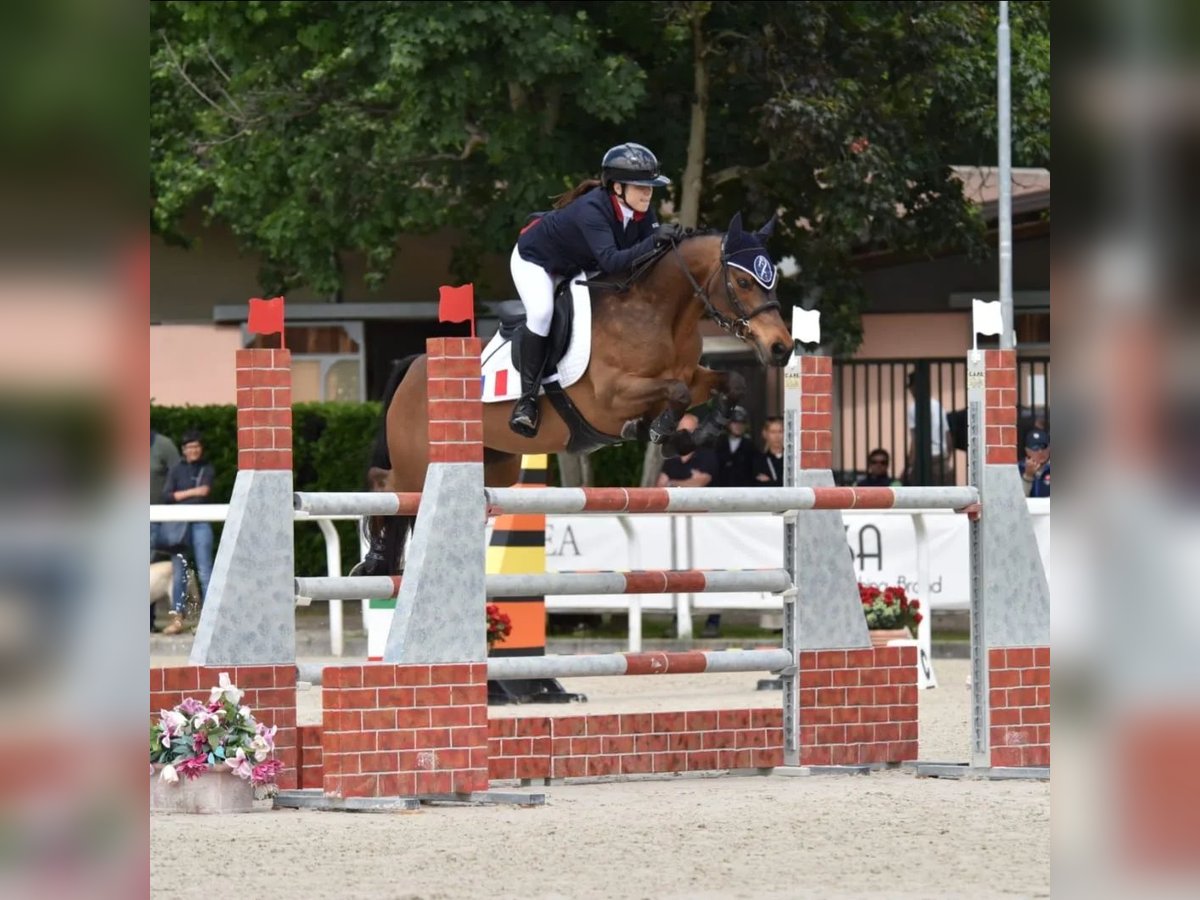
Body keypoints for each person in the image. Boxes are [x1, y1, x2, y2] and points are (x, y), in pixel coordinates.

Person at [508, 142, 678, 437]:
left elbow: (643, 262)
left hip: (576, 264)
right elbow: (613, 261)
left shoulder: (642, 212)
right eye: (640, 186)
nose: (648, 193)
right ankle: (527, 402)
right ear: (617, 188)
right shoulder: (592, 210)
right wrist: (654, 242)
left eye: (650, 186)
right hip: (536, 261)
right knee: (542, 312)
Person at [160, 430, 215, 635]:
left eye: (197, 447)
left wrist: (179, 495)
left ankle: (210, 619)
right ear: (183, 450)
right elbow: (167, 496)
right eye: (190, 447)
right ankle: (177, 619)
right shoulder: (176, 469)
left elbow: (205, 492)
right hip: (179, 525)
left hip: (200, 522)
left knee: (205, 571)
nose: (194, 450)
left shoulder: (207, 468)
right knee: (179, 573)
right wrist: (193, 492)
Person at [905, 373, 954, 485]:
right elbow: (948, 436)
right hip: (941, 460)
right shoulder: (937, 405)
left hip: (923, 461)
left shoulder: (914, 408)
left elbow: (915, 439)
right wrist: (946, 459)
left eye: (910, 387)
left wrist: (910, 465)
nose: (910, 391)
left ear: (915, 387)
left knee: (918, 498)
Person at [655, 414, 718, 488]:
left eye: (689, 431)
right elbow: (660, 486)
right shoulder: (671, 458)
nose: (685, 435)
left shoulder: (707, 456)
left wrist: (671, 483)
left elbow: (698, 484)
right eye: (682, 431)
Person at [715, 406, 756, 487]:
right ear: (729, 424)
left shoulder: (750, 446)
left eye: (741, 423)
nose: (738, 426)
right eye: (735, 422)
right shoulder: (719, 444)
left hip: (744, 491)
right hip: (722, 491)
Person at [752, 417, 785, 487]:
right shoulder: (759, 461)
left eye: (780, 432)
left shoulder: (791, 460)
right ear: (765, 434)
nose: (777, 436)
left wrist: (770, 482)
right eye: (773, 432)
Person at [1019, 428, 1051, 497]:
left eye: (1043, 446)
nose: (1040, 451)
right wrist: (1028, 476)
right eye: (1035, 447)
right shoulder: (1019, 468)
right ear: (1027, 451)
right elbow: (1020, 500)